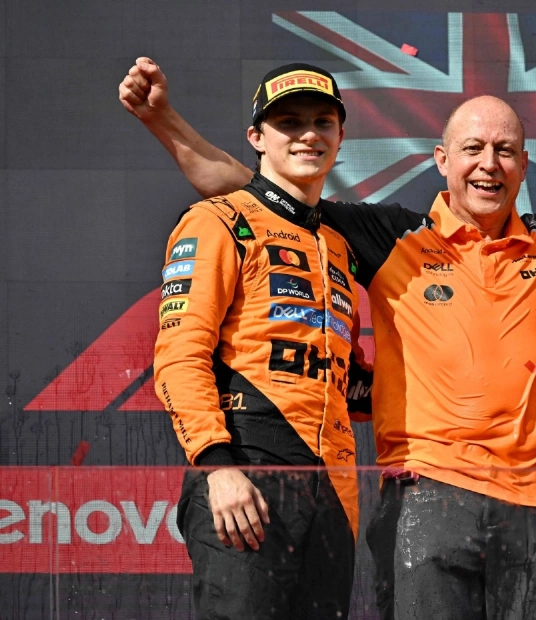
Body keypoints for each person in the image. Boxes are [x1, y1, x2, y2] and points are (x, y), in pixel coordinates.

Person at [122, 58, 536, 619]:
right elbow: (263, 190)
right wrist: (163, 123)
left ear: (524, 164)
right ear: (442, 159)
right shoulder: (389, 235)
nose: (487, 164)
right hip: (428, 496)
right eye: (472, 149)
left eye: (504, 150)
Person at [153, 63, 365, 618]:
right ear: (257, 138)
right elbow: (179, 356)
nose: (308, 135)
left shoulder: (338, 247)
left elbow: (347, 378)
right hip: (245, 466)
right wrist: (217, 466)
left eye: (322, 122)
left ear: (340, 136)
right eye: (289, 123)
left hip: (334, 487)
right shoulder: (217, 221)